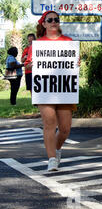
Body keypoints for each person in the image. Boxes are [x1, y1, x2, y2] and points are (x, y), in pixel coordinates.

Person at [24, 11, 76, 172]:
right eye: (50, 20)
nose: (54, 22)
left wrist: (77, 61)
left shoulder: (68, 41)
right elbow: (27, 65)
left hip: (64, 87)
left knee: (65, 128)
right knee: (49, 123)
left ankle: (57, 148)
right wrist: (31, 65)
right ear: (44, 24)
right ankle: (52, 159)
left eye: (56, 19)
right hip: (44, 87)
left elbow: (73, 62)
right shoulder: (38, 45)